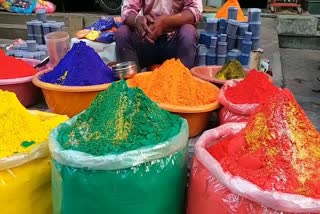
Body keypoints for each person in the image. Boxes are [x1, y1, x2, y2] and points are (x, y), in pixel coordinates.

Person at [115, 0, 203, 69]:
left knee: (188, 32)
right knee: (122, 33)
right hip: (147, 38)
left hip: (174, 42)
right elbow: (127, 10)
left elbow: (195, 11)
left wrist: (166, 22)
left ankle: (182, 82)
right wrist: (137, 20)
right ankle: (132, 85)